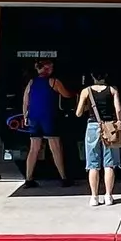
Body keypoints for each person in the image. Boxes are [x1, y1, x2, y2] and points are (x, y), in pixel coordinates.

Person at [20, 59, 73, 188]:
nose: (52, 69)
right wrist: (75, 93)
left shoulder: (31, 82)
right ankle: (63, 177)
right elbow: (66, 94)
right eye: (50, 67)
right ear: (46, 68)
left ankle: (28, 178)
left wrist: (25, 115)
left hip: (34, 117)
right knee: (55, 147)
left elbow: (25, 100)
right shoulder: (53, 81)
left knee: (34, 149)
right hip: (48, 117)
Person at [75, 70, 121, 206]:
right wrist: (120, 124)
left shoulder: (86, 91)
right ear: (106, 76)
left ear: (92, 76)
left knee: (93, 165)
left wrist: (87, 107)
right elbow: (118, 110)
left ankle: (94, 197)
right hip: (109, 127)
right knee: (109, 163)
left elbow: (78, 113)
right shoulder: (113, 90)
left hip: (92, 127)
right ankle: (108, 196)